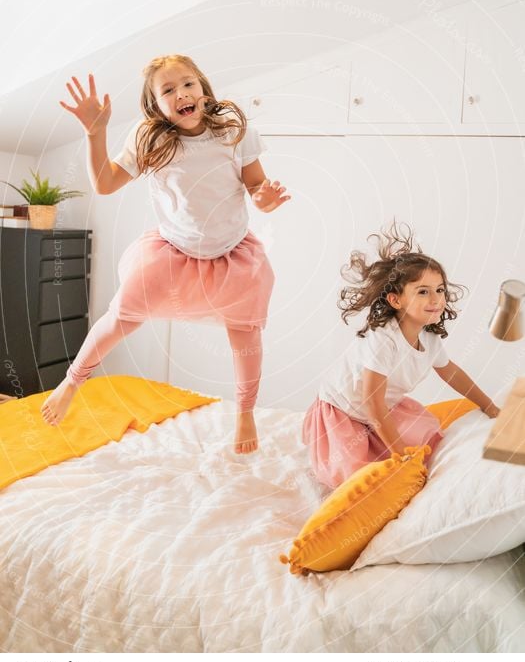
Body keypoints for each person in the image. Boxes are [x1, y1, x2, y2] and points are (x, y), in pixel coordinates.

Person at [41, 55, 290, 454]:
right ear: (155, 106)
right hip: (173, 252)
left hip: (232, 256)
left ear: (204, 90)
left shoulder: (234, 132)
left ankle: (245, 412)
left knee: (245, 334)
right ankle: (72, 381)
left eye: (188, 84)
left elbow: (256, 188)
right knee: (122, 316)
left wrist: (266, 198)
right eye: (168, 91)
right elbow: (105, 184)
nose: (181, 94)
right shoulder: (149, 139)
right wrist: (95, 132)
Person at [303, 223, 499, 488]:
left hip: (384, 409)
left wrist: (489, 406)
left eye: (440, 290)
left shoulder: (429, 338)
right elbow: (372, 403)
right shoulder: (384, 339)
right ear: (396, 300)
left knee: (429, 440)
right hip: (343, 412)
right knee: (357, 477)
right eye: (423, 291)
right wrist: (398, 454)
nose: (436, 299)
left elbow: (451, 373)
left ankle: (385, 446)